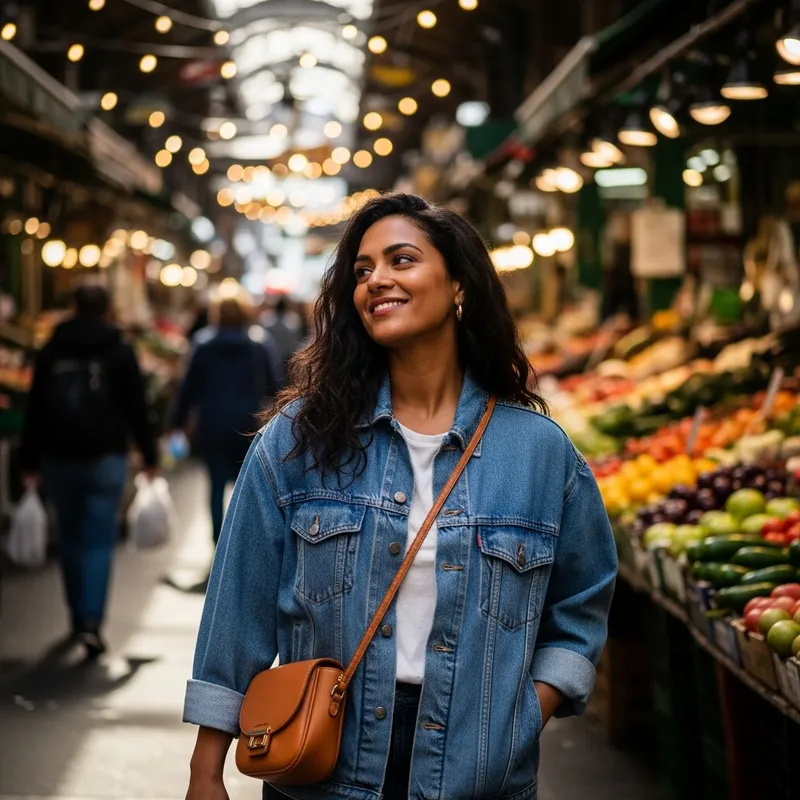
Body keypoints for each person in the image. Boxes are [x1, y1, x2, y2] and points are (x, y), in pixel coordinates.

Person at [183, 193, 617, 800]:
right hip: (325, 767)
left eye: (402, 260)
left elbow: (582, 602)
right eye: (362, 270)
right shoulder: (298, 441)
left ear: (459, 285)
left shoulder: (539, 453)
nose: (376, 280)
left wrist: (521, 717)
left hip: (476, 773)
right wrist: (206, 770)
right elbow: (238, 606)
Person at [20, 281, 158, 657]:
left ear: (74, 306)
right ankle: (92, 621)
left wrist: (28, 461)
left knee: (70, 537)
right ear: (108, 308)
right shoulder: (120, 349)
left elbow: (35, 409)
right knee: (99, 539)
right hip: (106, 457)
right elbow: (137, 407)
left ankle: (76, 616)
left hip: (59, 457)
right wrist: (149, 455)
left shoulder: (52, 348)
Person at [173, 292, 281, 548]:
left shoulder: (203, 344)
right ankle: (243, 545)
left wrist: (176, 423)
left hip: (212, 425)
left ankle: (217, 543)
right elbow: (274, 386)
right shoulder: (259, 344)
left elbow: (188, 389)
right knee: (247, 487)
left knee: (215, 485)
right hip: (249, 424)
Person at [260, 296, 305, 383]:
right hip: (287, 358)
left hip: (273, 357)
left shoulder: (267, 323)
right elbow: (295, 343)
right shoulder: (292, 323)